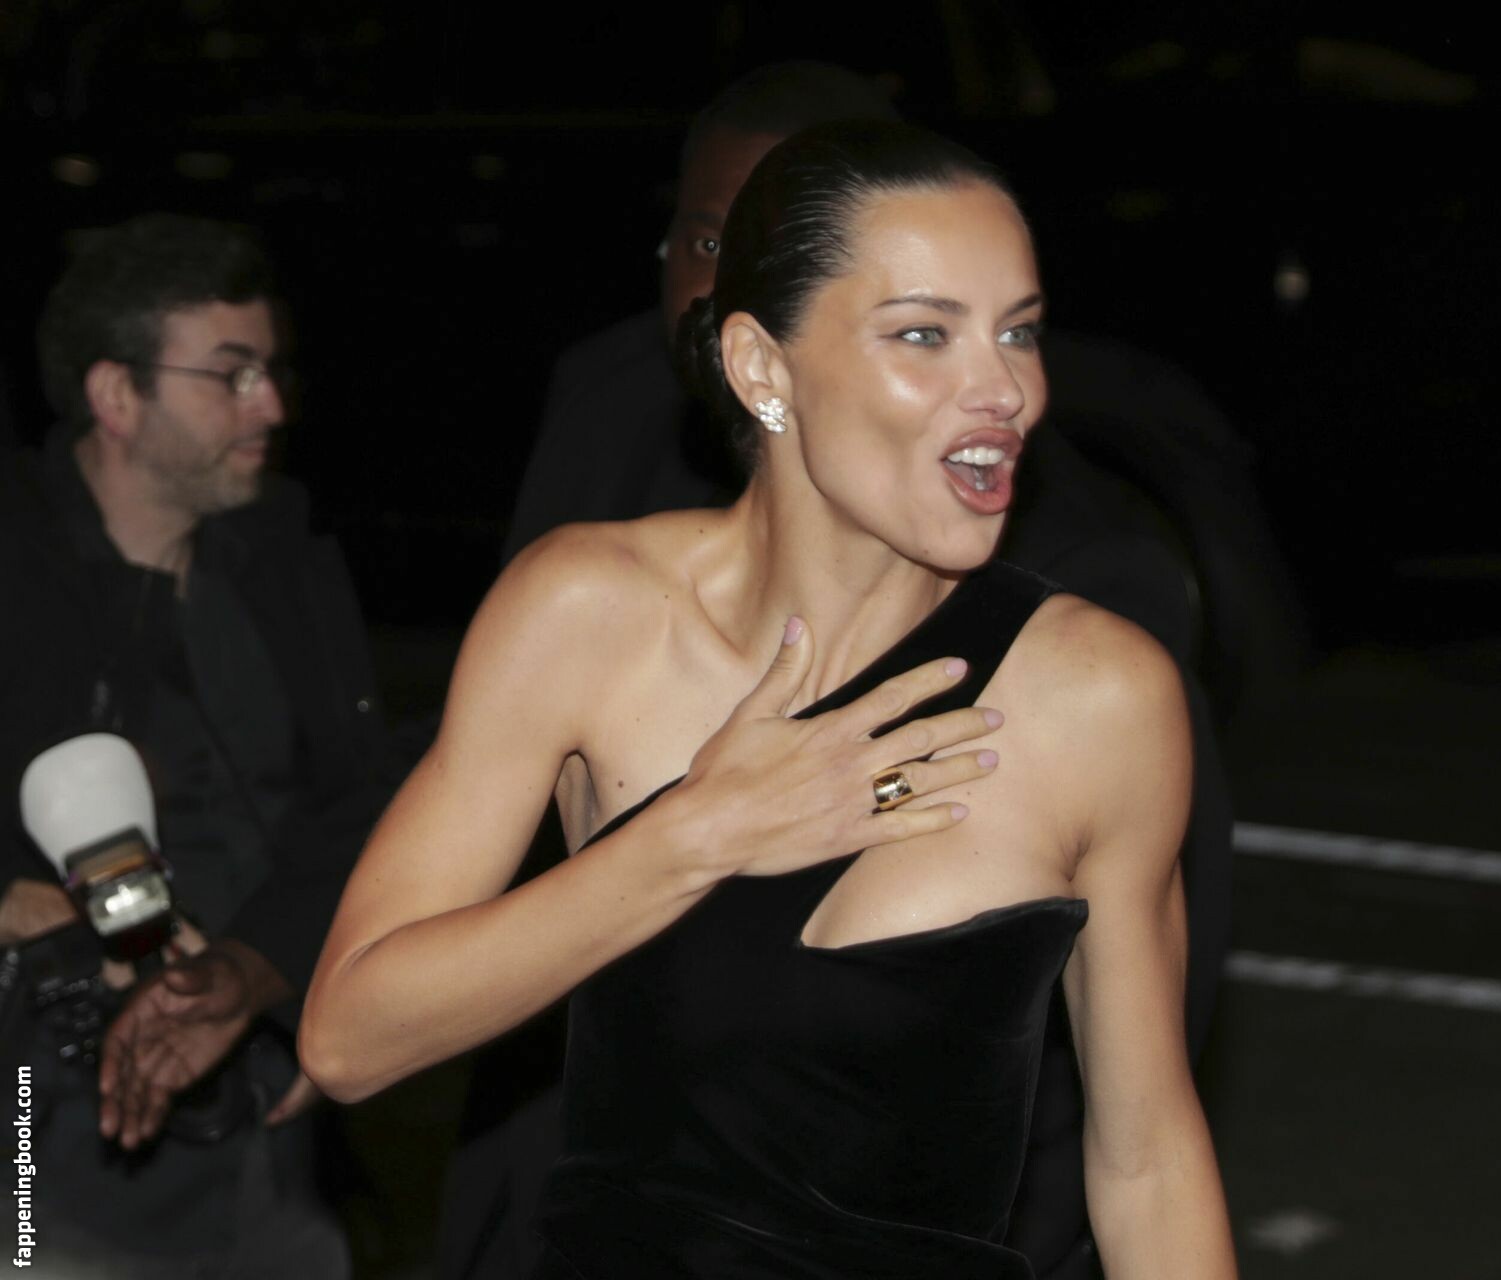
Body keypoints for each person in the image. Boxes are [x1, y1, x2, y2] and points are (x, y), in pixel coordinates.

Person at [301, 120, 1237, 1279]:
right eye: (925, 333)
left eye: (1019, 331)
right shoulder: (588, 614)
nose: (1005, 389)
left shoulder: (1098, 696)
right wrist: (698, 834)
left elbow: (1146, 1164)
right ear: (762, 369)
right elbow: (349, 1037)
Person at [0, 212, 394, 1277]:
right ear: (117, 395)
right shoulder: (20, 568)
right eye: (230, 374)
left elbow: (356, 808)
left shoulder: (285, 561)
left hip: (267, 1117)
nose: (271, 404)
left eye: (271, 370)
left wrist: (262, 974)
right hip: (40, 1138)